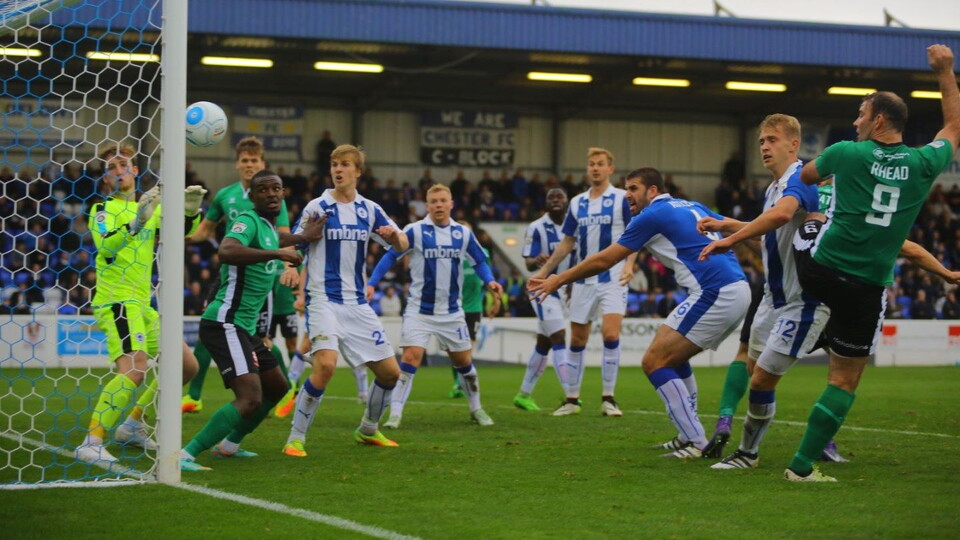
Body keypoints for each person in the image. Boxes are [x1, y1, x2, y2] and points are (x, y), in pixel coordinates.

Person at [783, 44, 959, 482]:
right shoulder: (924, 162)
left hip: (819, 271)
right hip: (867, 287)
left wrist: (831, 174)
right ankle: (801, 468)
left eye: (861, 114)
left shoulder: (847, 152)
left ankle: (803, 321)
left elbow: (805, 176)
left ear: (879, 120)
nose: (856, 121)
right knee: (844, 381)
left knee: (809, 220)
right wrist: (945, 71)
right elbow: (954, 126)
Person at [530, 167, 750, 458]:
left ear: (653, 190)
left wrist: (559, 278)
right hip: (733, 286)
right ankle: (687, 435)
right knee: (673, 358)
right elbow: (737, 228)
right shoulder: (691, 205)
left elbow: (605, 259)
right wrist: (768, 234)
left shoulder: (652, 214)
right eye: (627, 189)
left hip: (715, 291)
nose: (628, 195)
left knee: (654, 362)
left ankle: (696, 441)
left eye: (633, 188)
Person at [696, 114, 830, 470]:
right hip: (772, 301)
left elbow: (782, 216)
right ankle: (803, 439)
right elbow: (770, 234)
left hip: (802, 302)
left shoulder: (800, 179)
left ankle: (748, 454)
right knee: (755, 370)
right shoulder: (773, 188)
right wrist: (728, 224)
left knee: (762, 379)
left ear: (793, 144)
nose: (765, 147)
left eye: (772, 140)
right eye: (761, 141)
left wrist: (730, 238)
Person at [180, 171, 324, 471]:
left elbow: (277, 237)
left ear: (282, 193)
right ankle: (185, 455)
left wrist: (302, 238)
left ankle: (229, 446)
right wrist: (277, 253)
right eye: (263, 189)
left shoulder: (267, 228)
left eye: (276, 188)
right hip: (225, 322)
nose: (271, 194)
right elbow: (227, 250)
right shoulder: (246, 220)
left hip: (244, 327)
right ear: (253, 196)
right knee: (249, 397)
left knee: (277, 388)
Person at [74, 142, 206, 466]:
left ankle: (133, 424)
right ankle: (91, 441)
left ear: (135, 169)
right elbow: (106, 247)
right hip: (117, 300)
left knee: (186, 366)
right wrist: (136, 222)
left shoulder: (151, 206)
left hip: (144, 303)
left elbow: (181, 233)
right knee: (134, 370)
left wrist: (191, 211)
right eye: (112, 168)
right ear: (106, 178)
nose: (119, 171)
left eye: (124, 164)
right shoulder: (101, 210)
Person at [282, 144, 409, 457]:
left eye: (345, 164)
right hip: (323, 299)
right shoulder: (317, 207)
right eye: (334, 164)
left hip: (357, 304)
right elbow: (296, 244)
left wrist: (394, 238)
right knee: (325, 365)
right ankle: (295, 438)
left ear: (358, 172)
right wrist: (290, 267)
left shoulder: (370, 209)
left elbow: (402, 243)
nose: (338, 170)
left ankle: (368, 429)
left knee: (391, 374)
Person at [368, 184, 504, 429]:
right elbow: (391, 255)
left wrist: (490, 280)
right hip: (419, 310)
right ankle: (395, 414)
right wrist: (371, 283)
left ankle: (476, 408)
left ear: (451, 204)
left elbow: (479, 261)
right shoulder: (415, 230)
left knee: (464, 363)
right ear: (427, 206)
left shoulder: (462, 234)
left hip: (451, 312)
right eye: (434, 201)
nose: (439, 205)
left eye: (443, 200)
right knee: (410, 359)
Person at [182, 136, 299, 414]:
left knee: (260, 339)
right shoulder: (225, 195)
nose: (249, 165)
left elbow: (282, 235)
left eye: (254, 160)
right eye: (245, 160)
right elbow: (205, 231)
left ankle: (287, 390)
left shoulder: (272, 196)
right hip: (230, 275)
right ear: (237, 164)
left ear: (262, 163)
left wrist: (289, 266)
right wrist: (178, 234)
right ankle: (194, 397)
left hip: (261, 279)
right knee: (210, 327)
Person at [529, 148, 637, 417]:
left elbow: (635, 232)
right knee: (577, 339)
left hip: (613, 277)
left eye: (600, 164)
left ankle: (609, 398)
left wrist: (630, 264)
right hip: (582, 279)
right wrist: (544, 272)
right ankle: (572, 399)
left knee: (611, 334)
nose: (595, 168)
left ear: (610, 169)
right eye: (591, 164)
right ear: (588, 169)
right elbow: (567, 242)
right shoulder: (577, 203)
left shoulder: (621, 198)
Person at [513, 188, 573, 411]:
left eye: (560, 197)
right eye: (551, 198)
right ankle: (571, 395)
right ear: (546, 203)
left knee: (544, 343)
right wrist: (536, 259)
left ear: (567, 201)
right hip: (542, 289)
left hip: (567, 288)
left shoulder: (574, 226)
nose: (556, 200)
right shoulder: (537, 227)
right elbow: (528, 263)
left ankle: (523, 394)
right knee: (558, 336)